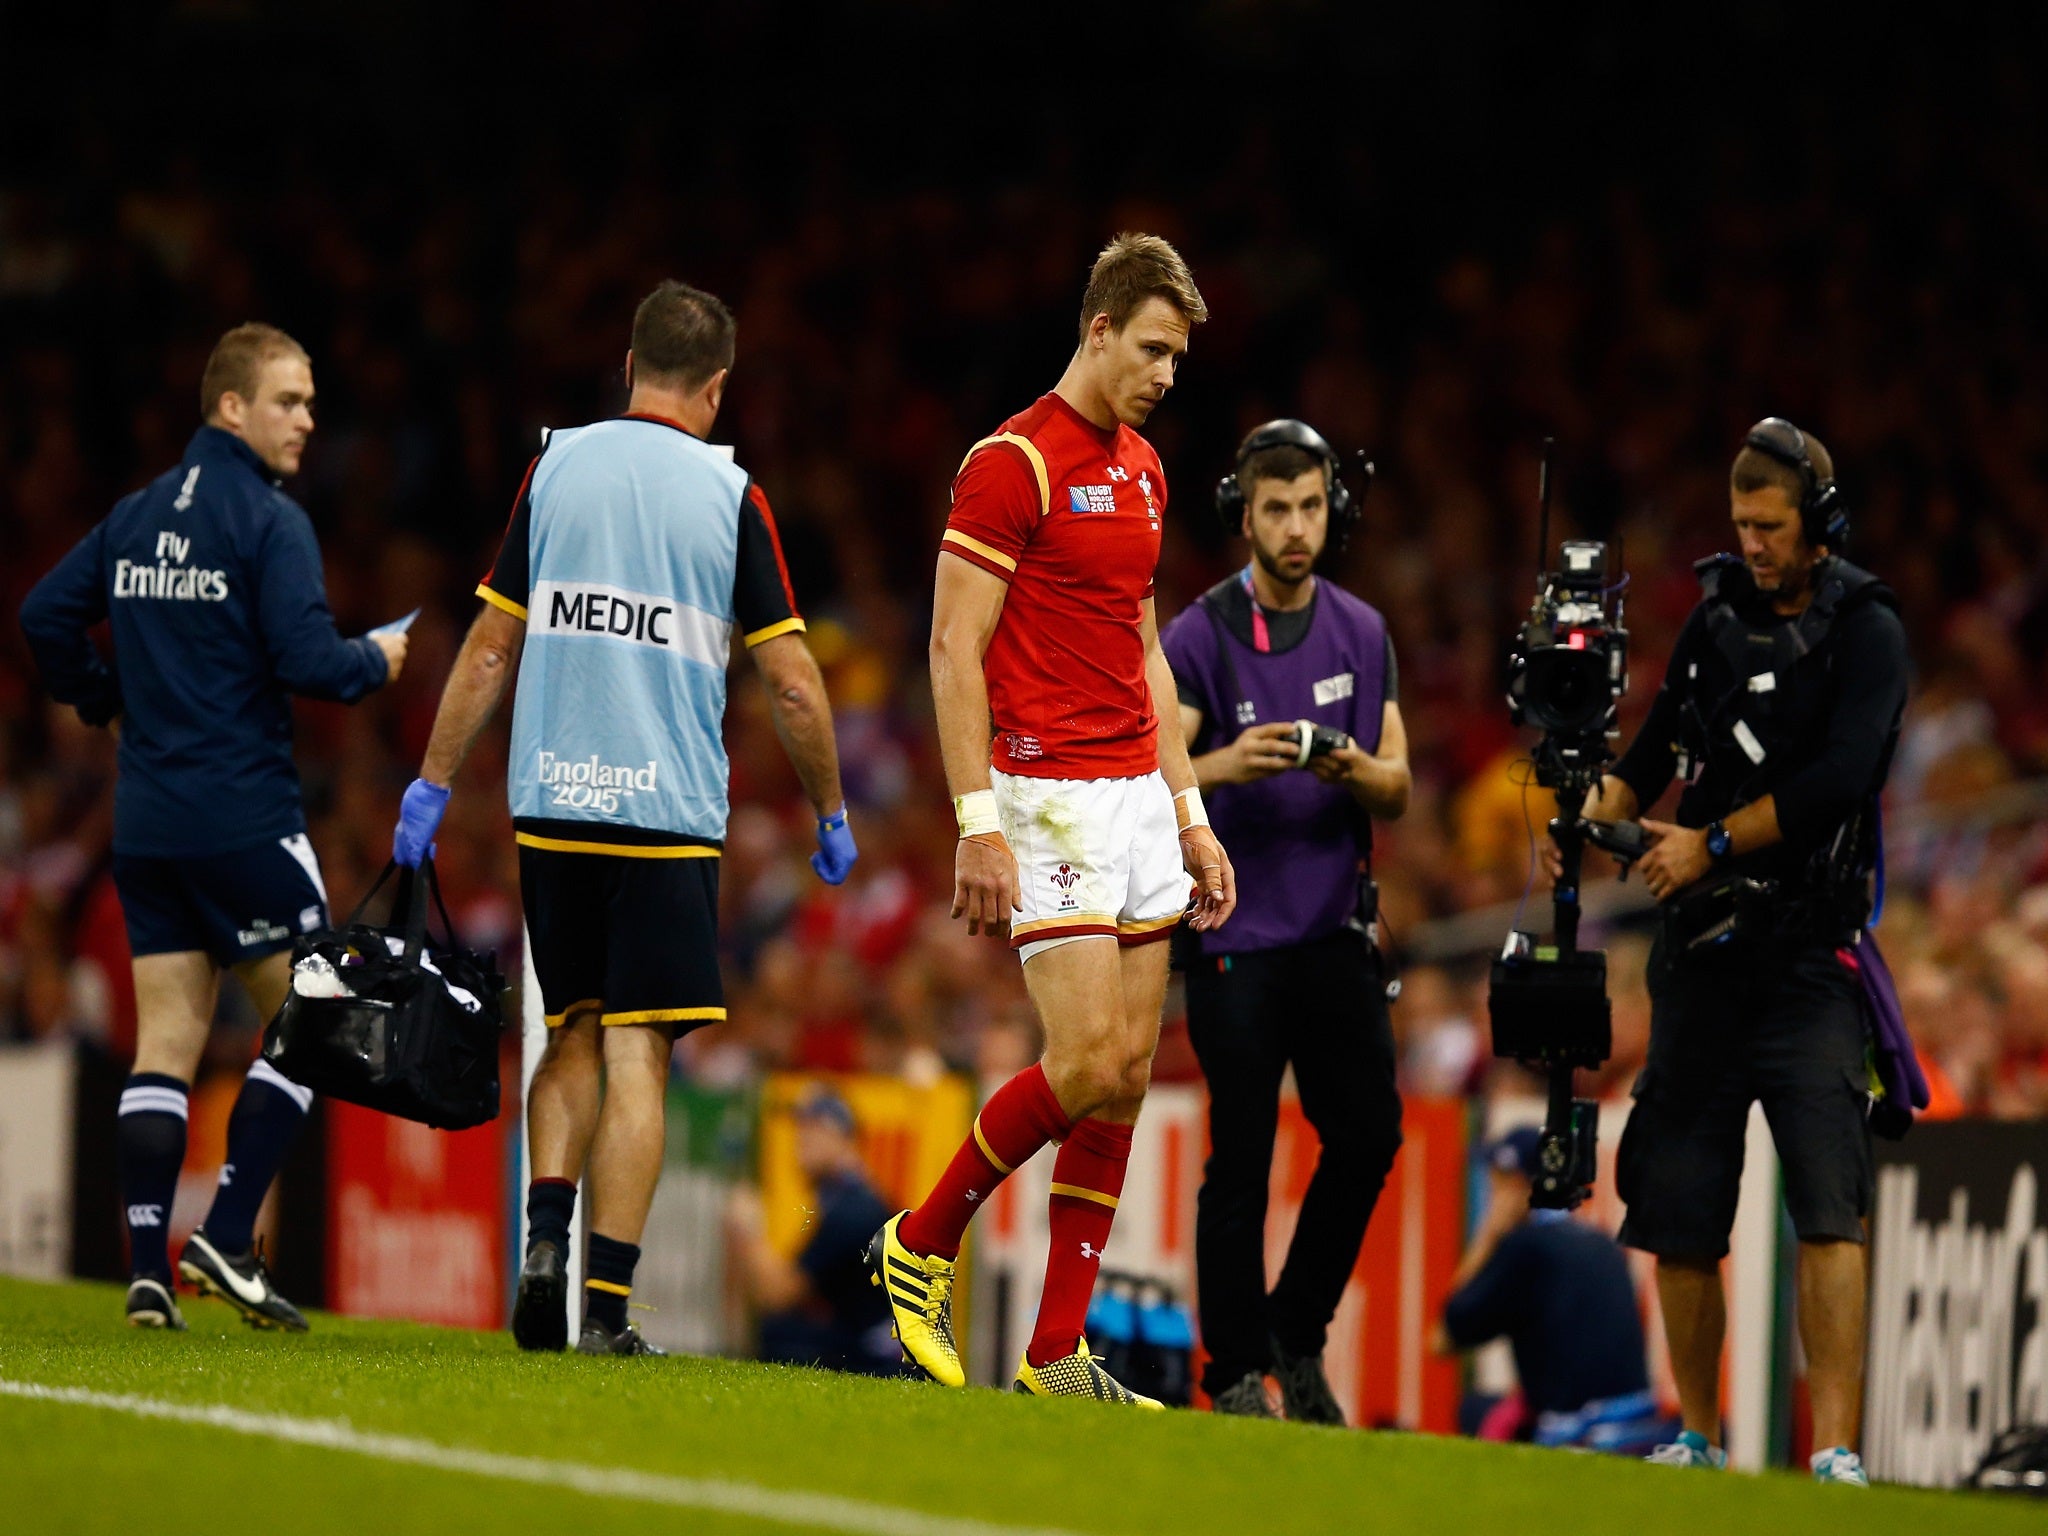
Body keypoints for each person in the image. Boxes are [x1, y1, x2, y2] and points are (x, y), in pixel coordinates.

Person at [393, 280, 855, 1357]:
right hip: (666, 815)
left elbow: (492, 645)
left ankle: (541, 1241)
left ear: (631, 362)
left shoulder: (553, 468)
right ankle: (604, 1309)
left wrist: (431, 779)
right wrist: (830, 807)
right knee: (641, 1054)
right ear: (716, 386)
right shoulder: (729, 495)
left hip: (553, 803)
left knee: (571, 1036)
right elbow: (789, 679)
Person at [869, 232, 1235, 1407]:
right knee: (1078, 1060)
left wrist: (1189, 813)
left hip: (1132, 792)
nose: (1165, 375)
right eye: (1151, 349)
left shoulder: (1144, 470)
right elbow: (949, 647)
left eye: (1177, 358)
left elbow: (1142, 651)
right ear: (1096, 330)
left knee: (1124, 1075)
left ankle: (1052, 1355)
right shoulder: (1009, 462)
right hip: (1044, 795)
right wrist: (976, 820)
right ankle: (920, 1241)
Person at [20, 323, 406, 1332]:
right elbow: (312, 662)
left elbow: (42, 617)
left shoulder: (137, 514)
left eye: (311, 401)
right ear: (230, 407)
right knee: (319, 1016)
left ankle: (147, 1273)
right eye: (289, 399)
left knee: (171, 1038)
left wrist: (101, 698)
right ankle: (228, 1235)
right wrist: (381, 661)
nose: (307, 419)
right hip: (242, 817)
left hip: (145, 828)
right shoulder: (269, 521)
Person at [1565, 418, 1906, 1486]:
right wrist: (1594, 809)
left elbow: (1836, 784)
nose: (1750, 545)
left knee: (1826, 1204)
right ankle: (1696, 1436)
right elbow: (1654, 749)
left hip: (1809, 960)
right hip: (1702, 964)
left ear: (1818, 524)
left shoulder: (1869, 630)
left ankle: (1836, 1449)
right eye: (1740, 525)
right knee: (1676, 1205)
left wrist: (1704, 845)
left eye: (1768, 526)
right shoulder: (1713, 624)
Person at [1156, 420, 1408, 1423]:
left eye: (1309, 506)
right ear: (1242, 515)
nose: (1294, 527)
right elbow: (1156, 767)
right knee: (1242, 1157)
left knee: (1368, 1136)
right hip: (1235, 941)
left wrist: (1340, 762)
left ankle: (1294, 1338)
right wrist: (1229, 763)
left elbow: (1394, 784)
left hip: (1334, 933)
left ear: (1330, 510)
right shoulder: (1197, 634)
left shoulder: (1362, 630)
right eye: (1275, 508)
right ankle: (1231, 1372)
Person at [1434, 1128, 1663, 1455]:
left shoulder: (1523, 1248)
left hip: (1576, 1428)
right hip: (1638, 1419)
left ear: (1514, 1184)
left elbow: (1443, 1337)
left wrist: (1488, 1236)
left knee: (1473, 1409)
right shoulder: (1600, 1240)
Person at [725, 1088, 906, 1376]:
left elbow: (778, 1293)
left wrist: (748, 1229)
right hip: (871, 1342)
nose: (800, 1139)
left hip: (880, 1358)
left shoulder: (853, 1209)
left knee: (782, 1334)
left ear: (844, 1140)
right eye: (800, 1129)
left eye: (813, 1129)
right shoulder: (843, 1197)